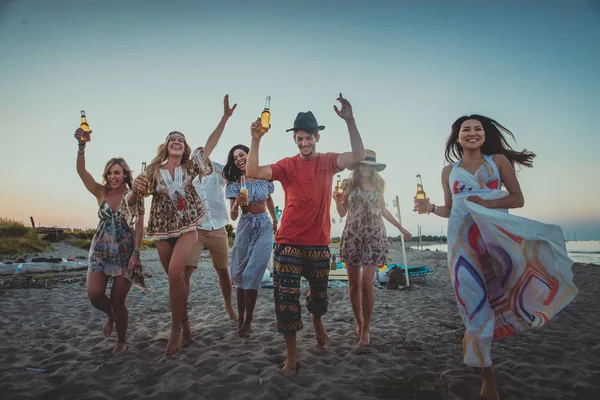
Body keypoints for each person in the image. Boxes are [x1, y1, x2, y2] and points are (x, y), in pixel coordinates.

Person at [413, 115, 578, 400]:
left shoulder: (497, 161)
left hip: (495, 241)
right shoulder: (447, 171)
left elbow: (517, 198)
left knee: (505, 293)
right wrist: (430, 208)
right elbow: (450, 209)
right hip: (462, 244)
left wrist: (487, 200)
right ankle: (487, 375)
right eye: (466, 129)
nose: (472, 132)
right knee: (472, 303)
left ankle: (507, 330)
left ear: (484, 135)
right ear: (457, 137)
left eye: (477, 129)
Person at [246, 93, 366, 375]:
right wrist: (256, 139)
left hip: (318, 245)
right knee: (286, 299)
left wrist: (350, 120)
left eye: (308, 137)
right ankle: (292, 352)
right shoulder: (287, 165)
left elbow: (359, 155)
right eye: (299, 138)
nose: (304, 143)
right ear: (295, 140)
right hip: (287, 242)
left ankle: (317, 322)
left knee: (320, 297)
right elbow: (252, 170)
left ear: (317, 138)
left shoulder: (328, 161)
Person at [132, 94, 235, 356]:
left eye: (181, 140)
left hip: (189, 225)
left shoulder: (191, 167)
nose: (177, 142)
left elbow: (210, 145)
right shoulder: (153, 171)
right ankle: (186, 324)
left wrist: (223, 119)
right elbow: (136, 198)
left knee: (176, 272)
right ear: (166, 146)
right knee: (175, 280)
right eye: (172, 139)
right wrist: (135, 190)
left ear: (185, 147)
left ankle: (175, 328)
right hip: (162, 228)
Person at [74, 128, 145, 355]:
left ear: (125, 174)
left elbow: (140, 225)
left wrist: (136, 253)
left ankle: (122, 339)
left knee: (117, 299)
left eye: (117, 172)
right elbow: (82, 172)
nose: (113, 176)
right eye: (110, 173)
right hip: (100, 251)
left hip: (125, 252)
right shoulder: (100, 192)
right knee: (95, 295)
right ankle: (111, 316)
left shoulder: (135, 194)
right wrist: (82, 146)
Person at [333, 149, 411, 347]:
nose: (366, 168)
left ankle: (366, 328)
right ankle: (358, 322)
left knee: (367, 282)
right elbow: (342, 213)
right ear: (357, 166)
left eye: (370, 165)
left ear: (374, 168)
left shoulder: (379, 184)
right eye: (363, 164)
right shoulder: (347, 184)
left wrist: (400, 227)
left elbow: (383, 209)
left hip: (374, 235)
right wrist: (336, 201)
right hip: (352, 234)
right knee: (353, 285)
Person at [186, 96, 238, 323]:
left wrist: (224, 118)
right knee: (186, 271)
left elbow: (236, 174)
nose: (200, 158)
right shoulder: (187, 177)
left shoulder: (218, 172)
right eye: (196, 156)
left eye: (203, 154)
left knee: (222, 270)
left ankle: (229, 305)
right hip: (195, 230)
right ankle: (183, 312)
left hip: (217, 228)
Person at [223, 144, 277, 337]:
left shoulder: (263, 177)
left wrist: (275, 219)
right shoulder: (234, 184)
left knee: (252, 272)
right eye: (235, 157)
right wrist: (237, 203)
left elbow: (269, 199)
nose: (239, 158)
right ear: (234, 162)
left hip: (264, 226)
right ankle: (240, 317)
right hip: (245, 226)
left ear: (250, 155)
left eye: (242, 154)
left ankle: (249, 318)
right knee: (239, 273)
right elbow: (233, 216)